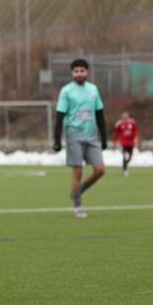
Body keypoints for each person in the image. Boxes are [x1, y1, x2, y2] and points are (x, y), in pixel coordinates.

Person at [53, 58, 106, 219]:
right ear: (72, 73)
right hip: (74, 135)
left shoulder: (93, 90)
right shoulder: (66, 91)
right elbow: (60, 116)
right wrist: (56, 139)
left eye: (82, 71)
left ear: (87, 72)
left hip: (91, 136)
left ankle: (78, 190)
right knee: (78, 171)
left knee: (100, 170)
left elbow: (99, 114)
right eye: (76, 71)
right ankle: (77, 207)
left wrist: (104, 137)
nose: (79, 74)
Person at [113, 111, 140, 176]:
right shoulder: (119, 124)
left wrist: (136, 138)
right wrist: (115, 142)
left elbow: (136, 131)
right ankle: (125, 170)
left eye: (126, 116)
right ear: (122, 116)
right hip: (123, 143)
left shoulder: (132, 123)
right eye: (123, 116)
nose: (124, 117)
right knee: (125, 156)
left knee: (130, 157)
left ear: (128, 116)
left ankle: (125, 164)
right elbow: (116, 133)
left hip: (131, 143)